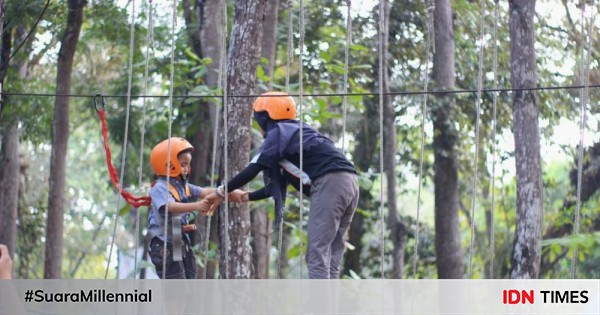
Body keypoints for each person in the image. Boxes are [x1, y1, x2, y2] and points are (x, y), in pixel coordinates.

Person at [205, 91, 359, 279]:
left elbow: (252, 169)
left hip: (330, 183)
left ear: (263, 117)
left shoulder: (278, 134)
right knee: (331, 257)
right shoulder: (294, 133)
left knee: (316, 254)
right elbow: (272, 188)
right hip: (350, 182)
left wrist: (220, 191)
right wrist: (246, 196)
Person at [147, 137, 244, 279]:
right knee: (175, 287)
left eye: (188, 164)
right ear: (169, 164)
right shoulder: (160, 187)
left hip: (178, 240)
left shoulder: (182, 187)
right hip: (163, 245)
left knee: (190, 279)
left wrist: (228, 192)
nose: (187, 168)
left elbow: (204, 192)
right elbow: (169, 206)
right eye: (183, 164)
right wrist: (197, 206)